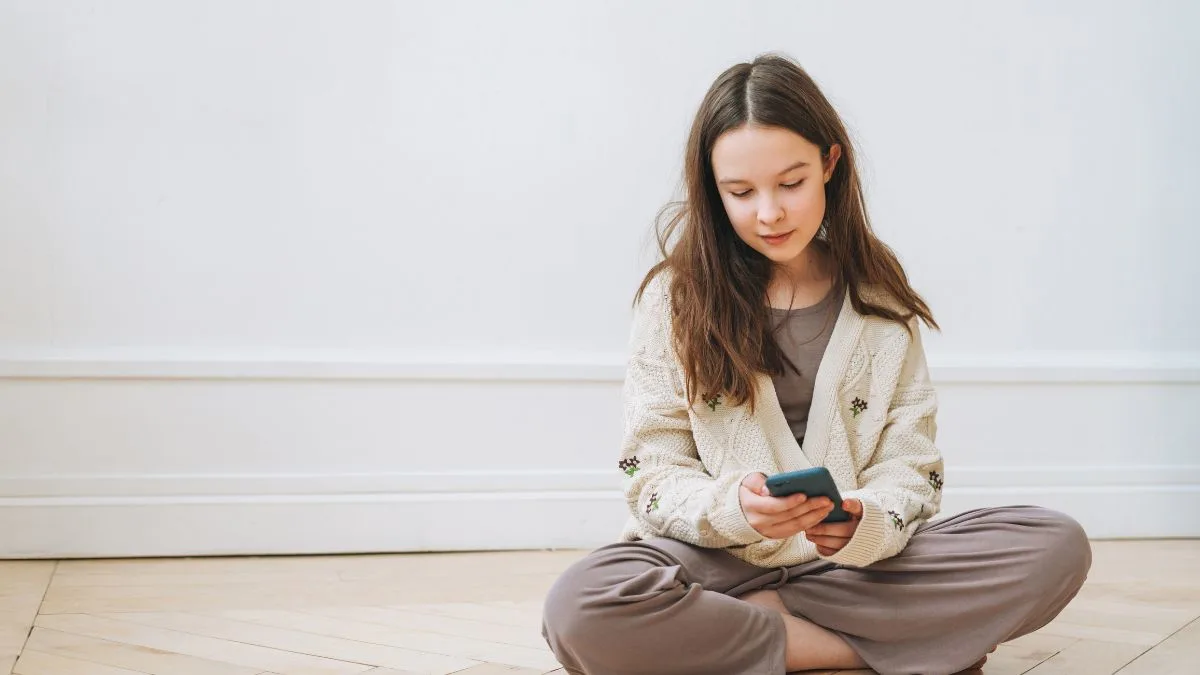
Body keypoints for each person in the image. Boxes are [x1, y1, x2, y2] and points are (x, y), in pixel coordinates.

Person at [540, 53, 1092, 675]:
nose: (769, 213)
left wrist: (865, 520)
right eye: (741, 193)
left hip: (854, 568)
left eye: (791, 183)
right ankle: (868, 648)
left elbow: (912, 465)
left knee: (1055, 544)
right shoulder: (675, 297)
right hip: (717, 561)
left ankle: (756, 630)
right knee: (580, 607)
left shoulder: (878, 298)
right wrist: (735, 509)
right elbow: (651, 470)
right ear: (711, 187)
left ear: (830, 164)